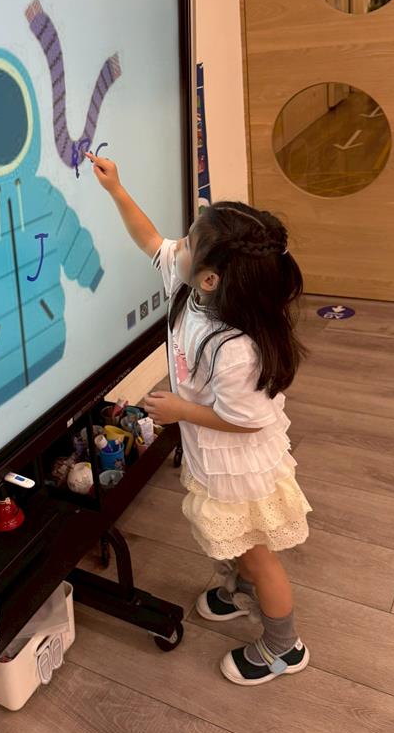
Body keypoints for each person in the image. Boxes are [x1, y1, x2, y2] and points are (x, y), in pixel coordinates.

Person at [87, 151, 311, 685]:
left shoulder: (236, 349)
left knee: (256, 555)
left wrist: (181, 409)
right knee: (231, 540)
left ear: (211, 278)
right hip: (215, 455)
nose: (176, 247)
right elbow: (149, 240)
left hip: (240, 466)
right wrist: (116, 189)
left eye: (187, 243)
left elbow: (248, 421)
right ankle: (237, 591)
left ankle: (284, 646)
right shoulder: (198, 288)